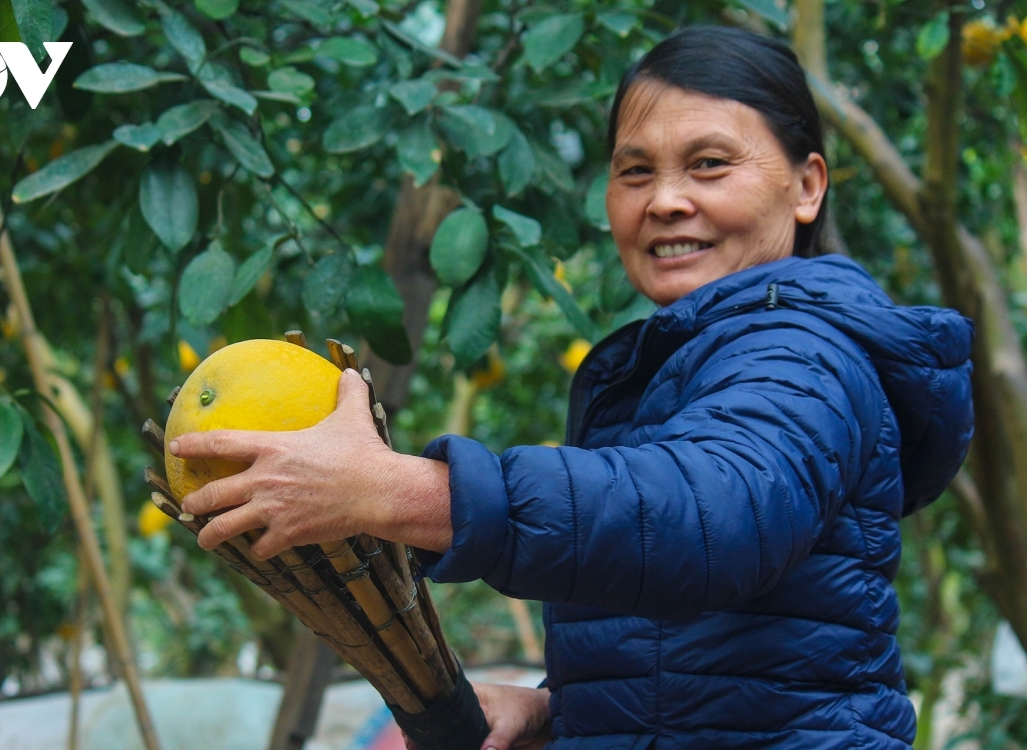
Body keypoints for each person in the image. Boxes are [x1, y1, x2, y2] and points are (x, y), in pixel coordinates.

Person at [169, 25, 974, 749]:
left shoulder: (807, 351)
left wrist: (402, 492)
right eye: (635, 171)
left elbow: (709, 518)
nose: (665, 201)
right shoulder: (673, 368)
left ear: (807, 186)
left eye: (709, 164)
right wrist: (560, 708)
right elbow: (709, 645)